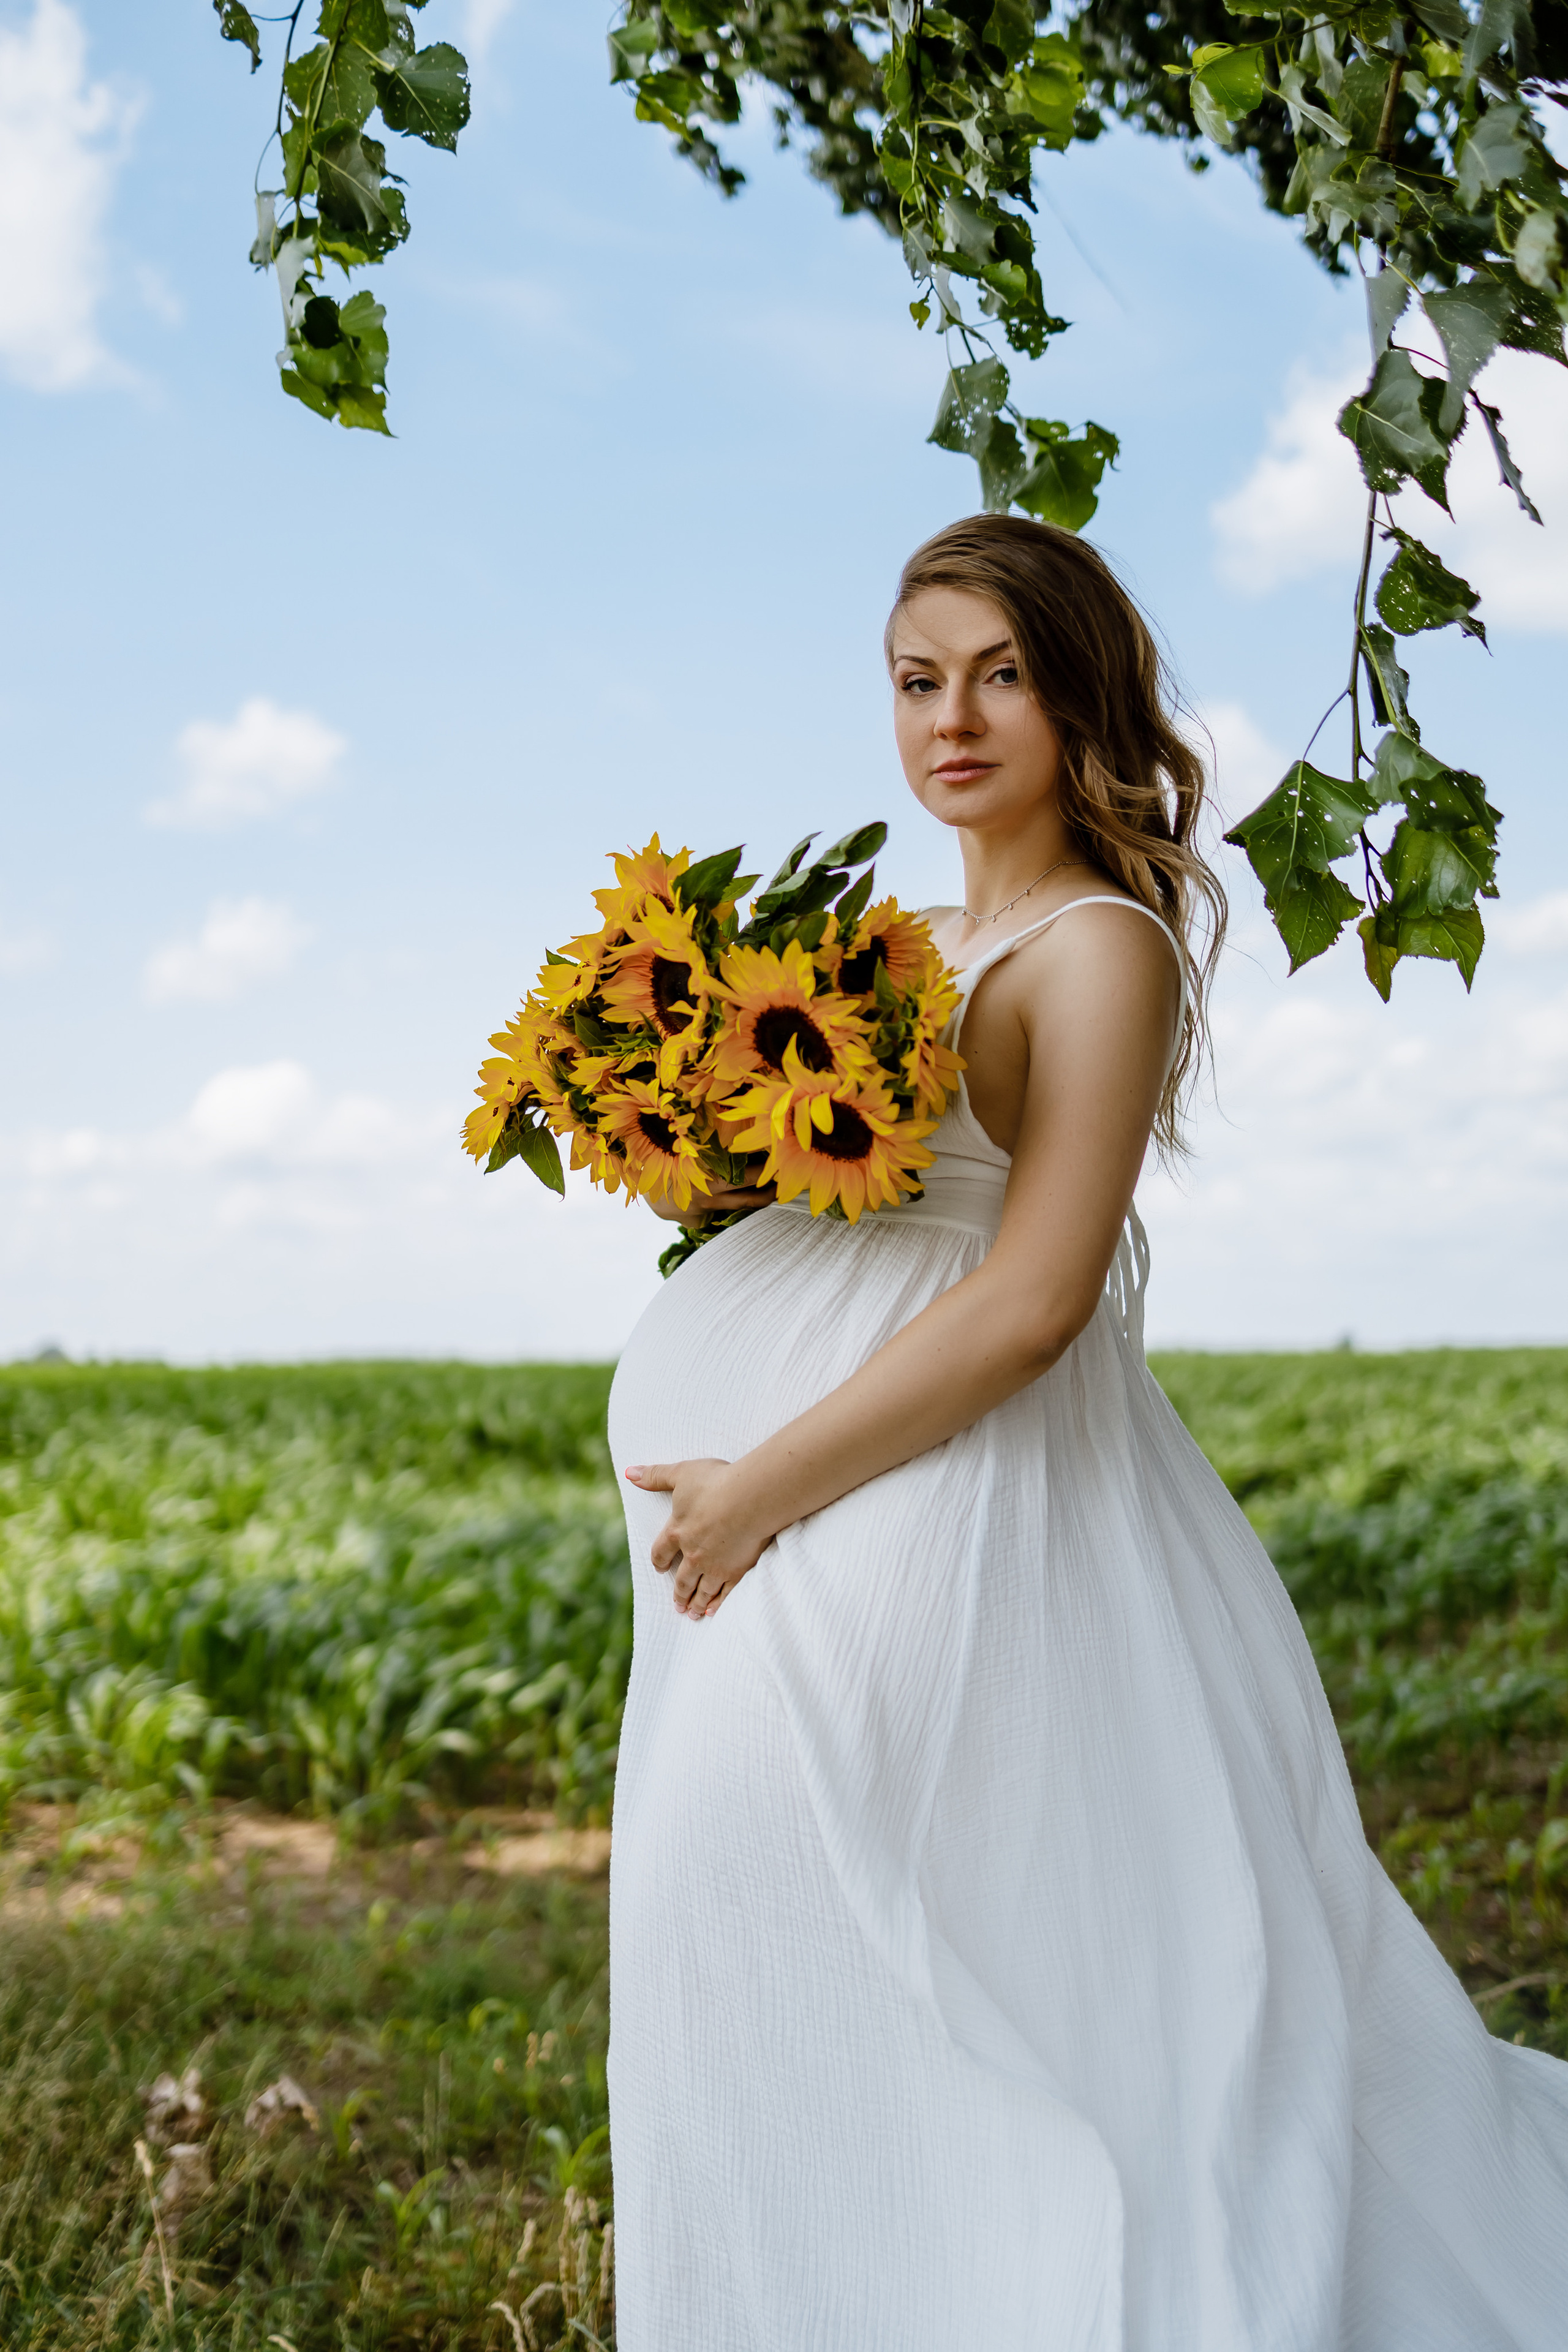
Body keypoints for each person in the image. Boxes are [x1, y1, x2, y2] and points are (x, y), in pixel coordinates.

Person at [606, 513, 1568, 2350]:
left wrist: (760, 1492)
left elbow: (1038, 1295)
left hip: (920, 1502)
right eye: (918, 681)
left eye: (1002, 677)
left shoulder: (1099, 946)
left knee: (895, 1910)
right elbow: (843, 1206)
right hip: (789, 1507)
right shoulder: (896, 942)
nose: (952, 720)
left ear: (1079, 699)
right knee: (757, 1909)